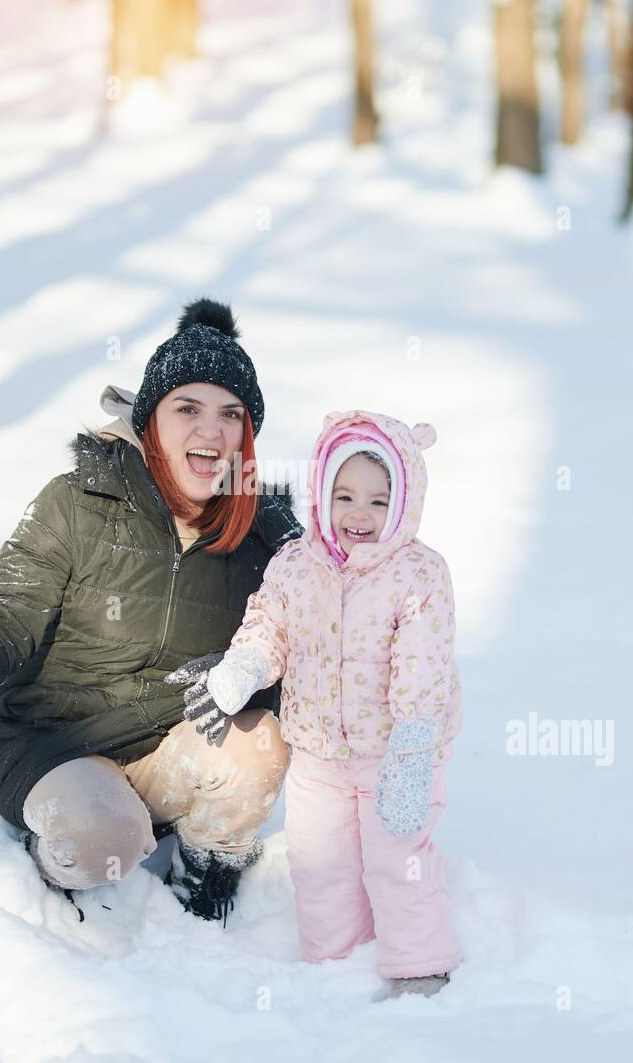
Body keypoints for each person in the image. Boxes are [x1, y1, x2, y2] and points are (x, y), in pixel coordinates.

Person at [0, 299, 303, 925]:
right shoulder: (80, 502)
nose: (210, 431)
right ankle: (73, 832)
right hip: (54, 742)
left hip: (168, 746)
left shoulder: (264, 538)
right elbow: (11, 611)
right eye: (187, 409)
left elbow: (312, 651)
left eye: (231, 415)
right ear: (149, 422)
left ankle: (209, 862)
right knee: (97, 844)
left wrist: (254, 655)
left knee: (260, 744)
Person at [170, 409, 462, 996]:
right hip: (319, 751)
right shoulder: (296, 565)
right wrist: (246, 666)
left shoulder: (419, 574)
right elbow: (269, 623)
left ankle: (419, 965)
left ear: (404, 504)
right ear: (320, 493)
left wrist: (411, 746)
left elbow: (423, 665)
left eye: (379, 502)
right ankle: (333, 963)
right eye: (345, 495)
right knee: (319, 862)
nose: (359, 514)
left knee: (397, 859)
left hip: (394, 753)